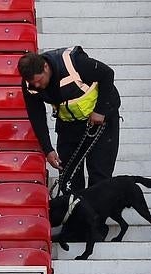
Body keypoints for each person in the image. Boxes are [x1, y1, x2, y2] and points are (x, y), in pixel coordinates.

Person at [17, 46, 121, 195]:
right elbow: (36, 116)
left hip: (101, 122)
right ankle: (74, 215)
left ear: (45, 67)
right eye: (34, 83)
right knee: (68, 178)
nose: (37, 86)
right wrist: (48, 149)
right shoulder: (30, 85)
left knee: (99, 175)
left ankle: (96, 216)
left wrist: (99, 111)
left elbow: (107, 74)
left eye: (39, 80)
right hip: (69, 125)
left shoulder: (75, 63)